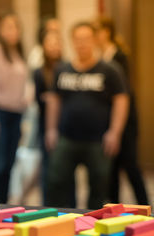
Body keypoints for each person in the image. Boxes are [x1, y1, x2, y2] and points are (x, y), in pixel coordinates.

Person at [45, 22, 129, 209]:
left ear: (94, 41)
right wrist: (50, 130)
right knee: (56, 182)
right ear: (72, 42)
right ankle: (58, 224)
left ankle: (93, 228)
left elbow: (121, 101)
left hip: (98, 141)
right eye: (77, 39)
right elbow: (54, 101)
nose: (82, 44)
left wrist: (115, 132)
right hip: (66, 138)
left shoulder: (110, 70)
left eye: (86, 39)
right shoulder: (62, 69)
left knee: (99, 188)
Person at [95, 17, 149, 205]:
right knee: (112, 169)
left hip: (125, 120)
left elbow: (121, 92)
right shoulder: (100, 57)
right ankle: (115, 207)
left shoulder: (119, 56)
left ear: (107, 32)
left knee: (131, 165)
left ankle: (145, 205)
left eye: (98, 31)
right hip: (108, 119)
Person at [0, 12, 33, 203]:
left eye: (15, 26)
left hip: (16, 114)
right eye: (7, 27)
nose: (12, 31)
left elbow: (24, 84)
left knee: (10, 163)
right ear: (0, 30)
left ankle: (3, 205)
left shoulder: (19, 54)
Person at [33, 30, 63, 205]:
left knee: (65, 167)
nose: (53, 47)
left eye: (56, 42)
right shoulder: (39, 72)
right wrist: (52, 98)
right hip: (44, 122)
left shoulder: (67, 67)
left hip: (65, 124)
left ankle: (69, 204)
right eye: (49, 43)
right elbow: (39, 99)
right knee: (47, 166)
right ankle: (48, 203)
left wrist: (52, 97)